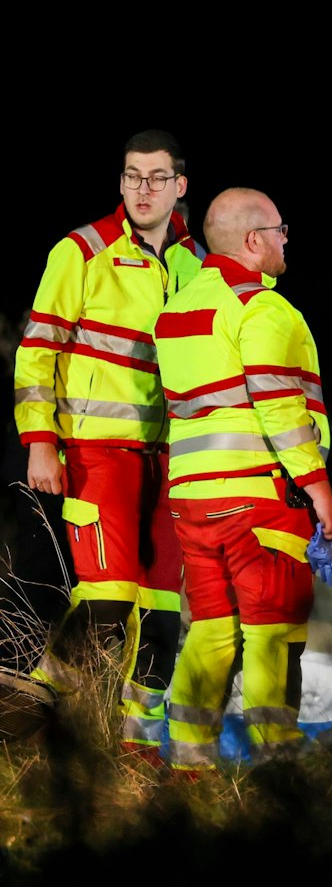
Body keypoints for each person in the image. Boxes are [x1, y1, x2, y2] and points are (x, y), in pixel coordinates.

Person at [7, 129, 204, 757]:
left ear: (179, 187)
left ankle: (136, 753)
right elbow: (37, 351)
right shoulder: (81, 251)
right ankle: (37, 724)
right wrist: (41, 444)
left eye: (156, 177)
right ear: (120, 182)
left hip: (170, 460)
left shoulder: (196, 265)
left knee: (164, 615)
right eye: (131, 175)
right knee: (108, 604)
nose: (142, 189)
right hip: (96, 450)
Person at [153, 188, 332, 773]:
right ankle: (278, 769)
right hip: (259, 499)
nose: (287, 239)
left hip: (192, 502)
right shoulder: (263, 310)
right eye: (281, 230)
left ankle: (189, 764)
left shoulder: (176, 312)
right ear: (253, 240)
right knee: (274, 630)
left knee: (211, 629)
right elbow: (278, 405)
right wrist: (320, 491)